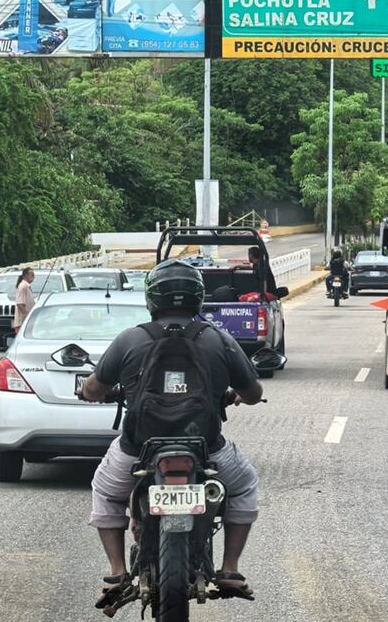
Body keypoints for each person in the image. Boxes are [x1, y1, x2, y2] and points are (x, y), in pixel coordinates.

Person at [80, 259, 265, 608]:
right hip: (206, 447)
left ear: (152, 298)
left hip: (138, 448)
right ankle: (229, 568)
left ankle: (118, 572)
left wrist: (90, 392)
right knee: (244, 485)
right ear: (198, 297)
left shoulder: (130, 338)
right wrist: (237, 394)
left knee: (105, 490)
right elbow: (253, 392)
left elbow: (94, 387)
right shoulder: (218, 338)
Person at [12, 267, 35, 335]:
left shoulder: (26, 286)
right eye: (32, 275)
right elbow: (20, 304)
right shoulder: (23, 286)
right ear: (26, 275)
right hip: (23, 322)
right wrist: (27, 316)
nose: (34, 277)